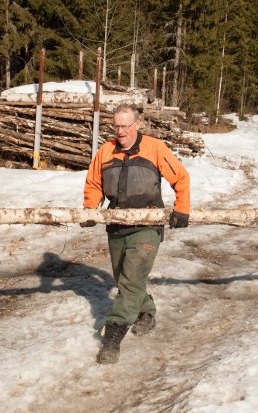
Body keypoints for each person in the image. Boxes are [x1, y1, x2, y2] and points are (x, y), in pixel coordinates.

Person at [83, 103, 190, 364]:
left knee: (130, 281)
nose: (119, 131)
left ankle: (113, 337)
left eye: (124, 126)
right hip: (117, 225)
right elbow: (94, 182)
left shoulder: (155, 148)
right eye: (116, 126)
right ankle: (147, 313)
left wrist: (182, 209)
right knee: (125, 279)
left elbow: (181, 178)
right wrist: (89, 209)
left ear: (137, 125)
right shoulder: (106, 151)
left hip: (148, 226)